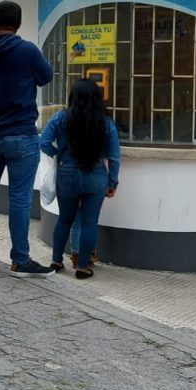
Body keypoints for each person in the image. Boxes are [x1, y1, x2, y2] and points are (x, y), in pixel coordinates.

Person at [0, 0, 55, 278]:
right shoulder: (27, 50)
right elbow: (46, 77)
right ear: (18, 25)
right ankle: (20, 259)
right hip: (20, 135)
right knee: (19, 200)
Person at [40, 79, 120, 279]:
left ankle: (56, 260)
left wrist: (58, 154)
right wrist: (113, 182)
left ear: (73, 97)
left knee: (65, 219)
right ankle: (83, 266)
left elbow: (43, 142)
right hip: (95, 176)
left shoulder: (61, 118)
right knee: (89, 223)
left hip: (67, 175)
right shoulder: (106, 122)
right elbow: (114, 156)